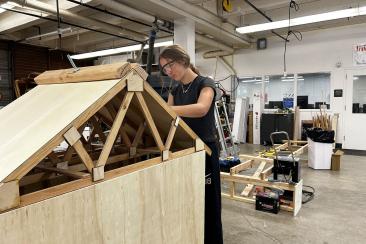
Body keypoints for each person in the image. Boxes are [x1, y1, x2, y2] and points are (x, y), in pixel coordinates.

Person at [159, 44, 223, 244]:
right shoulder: (175, 90)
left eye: (169, 65)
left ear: (183, 61)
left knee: (209, 202)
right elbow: (167, 117)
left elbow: (202, 108)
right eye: (164, 69)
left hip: (205, 151)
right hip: (184, 148)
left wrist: (169, 110)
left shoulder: (206, 83)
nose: (168, 71)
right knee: (187, 199)